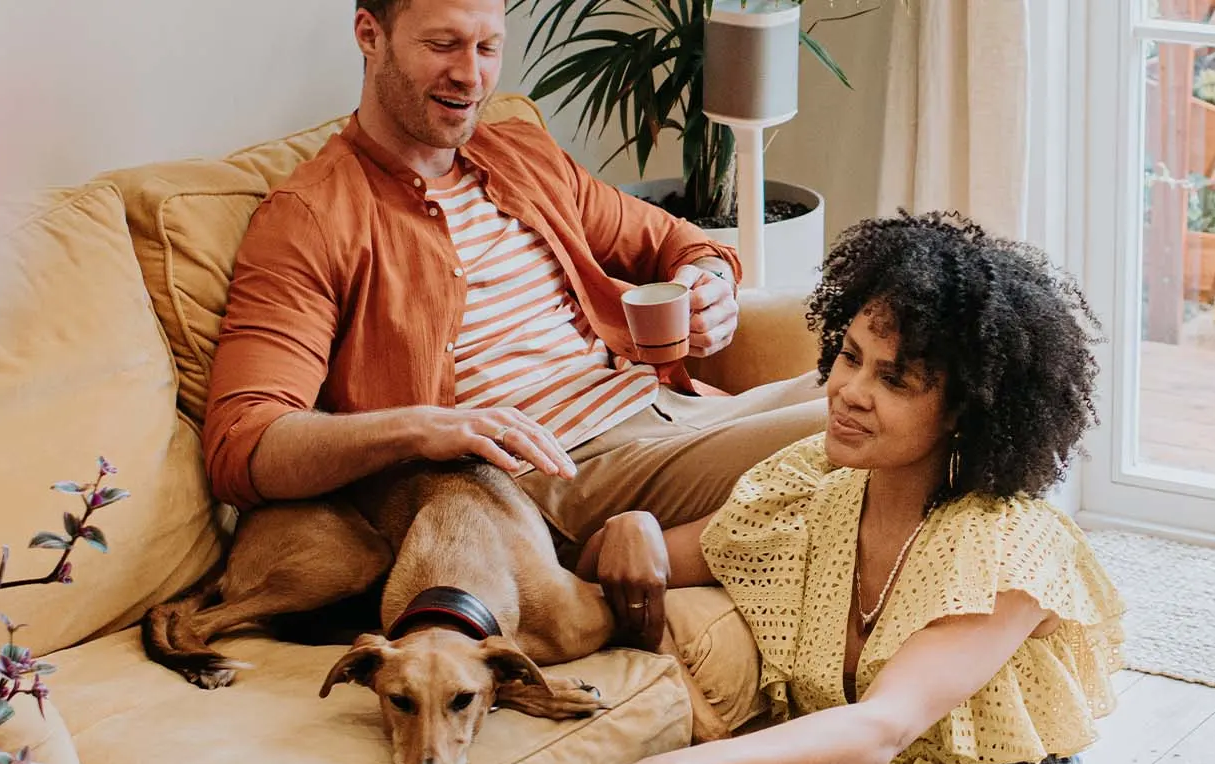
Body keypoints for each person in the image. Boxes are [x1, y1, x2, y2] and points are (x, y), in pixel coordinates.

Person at [202, 0, 826, 572]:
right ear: (371, 35)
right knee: (865, 426)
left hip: (669, 408)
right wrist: (422, 427)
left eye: (487, 47)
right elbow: (245, 443)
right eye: (443, 45)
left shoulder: (521, 154)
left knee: (884, 383)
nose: (470, 76)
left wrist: (709, 281)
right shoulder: (310, 216)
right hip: (548, 475)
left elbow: (677, 241)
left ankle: (664, 554)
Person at [559, 212, 1126, 764]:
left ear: (965, 410)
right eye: (851, 357)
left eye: (895, 380)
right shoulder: (808, 488)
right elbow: (623, 567)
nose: (850, 392)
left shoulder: (1009, 542)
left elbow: (881, 728)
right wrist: (630, 528)